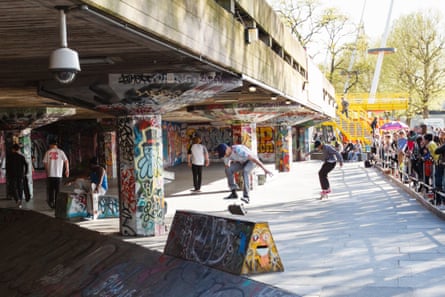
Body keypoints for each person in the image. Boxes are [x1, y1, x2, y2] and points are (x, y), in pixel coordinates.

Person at [43, 140, 69, 209]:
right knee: (58, 190)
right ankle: (57, 204)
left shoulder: (48, 152)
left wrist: (47, 171)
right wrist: (67, 170)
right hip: (58, 175)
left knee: (51, 190)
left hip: (50, 174)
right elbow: (66, 161)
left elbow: (45, 163)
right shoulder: (61, 152)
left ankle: (51, 203)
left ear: (51, 145)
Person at [5, 144, 28, 208]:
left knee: (13, 187)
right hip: (20, 175)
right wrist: (25, 172)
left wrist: (8, 174)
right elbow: (26, 165)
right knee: (20, 187)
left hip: (12, 175)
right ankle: (20, 199)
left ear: (13, 149)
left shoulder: (10, 157)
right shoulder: (21, 157)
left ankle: (17, 199)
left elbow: (7, 166)